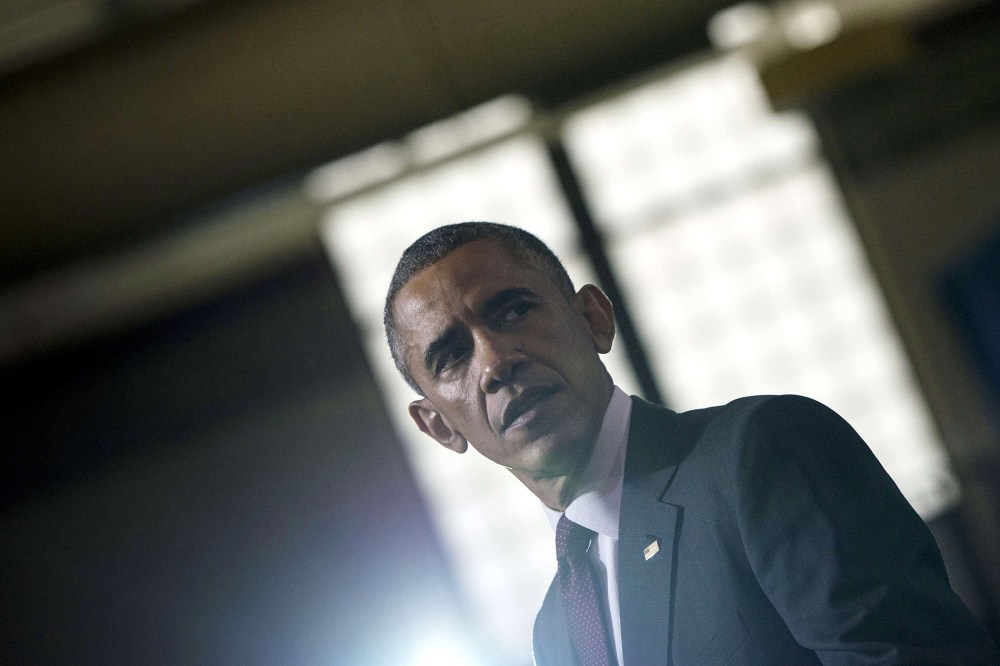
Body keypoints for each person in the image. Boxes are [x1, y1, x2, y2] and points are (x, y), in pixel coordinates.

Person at [383, 221, 997, 665]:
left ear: (594, 318)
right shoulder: (555, 632)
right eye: (452, 356)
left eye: (513, 311)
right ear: (438, 425)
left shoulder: (757, 453)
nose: (495, 362)